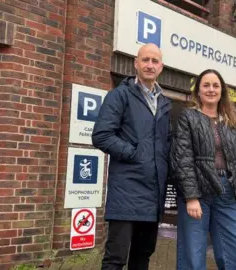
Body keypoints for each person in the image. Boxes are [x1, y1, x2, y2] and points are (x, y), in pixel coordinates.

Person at [92, 43, 171, 270]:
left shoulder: (165, 102)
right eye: (145, 60)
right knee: (115, 258)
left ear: (161, 67)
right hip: (126, 191)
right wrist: (135, 153)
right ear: (136, 63)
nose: (150, 65)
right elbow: (101, 135)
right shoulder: (120, 95)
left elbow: (166, 144)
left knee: (143, 256)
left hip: (153, 193)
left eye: (155, 61)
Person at [170, 69, 236, 270]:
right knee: (193, 257)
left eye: (215, 85)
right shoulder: (188, 118)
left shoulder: (232, 123)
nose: (211, 89)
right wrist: (191, 197)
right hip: (197, 193)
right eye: (206, 85)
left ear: (222, 91)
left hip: (226, 193)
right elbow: (182, 158)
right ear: (198, 92)